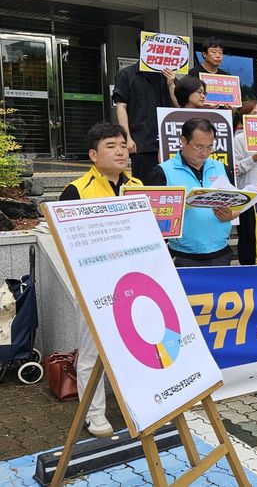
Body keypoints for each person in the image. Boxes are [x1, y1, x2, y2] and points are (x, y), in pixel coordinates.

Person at [59, 123, 143, 438]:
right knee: (93, 353)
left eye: (123, 144)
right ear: (94, 154)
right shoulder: (76, 190)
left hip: (133, 281)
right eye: (111, 145)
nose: (121, 150)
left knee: (134, 347)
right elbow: (67, 243)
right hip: (95, 283)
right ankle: (94, 415)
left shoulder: (138, 186)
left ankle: (135, 404)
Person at [145, 119, 238, 266]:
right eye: (199, 146)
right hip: (184, 256)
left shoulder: (221, 168)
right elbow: (151, 220)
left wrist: (230, 214)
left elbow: (236, 204)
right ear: (183, 141)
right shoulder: (163, 172)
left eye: (209, 147)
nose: (204, 153)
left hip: (221, 253)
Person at [112, 46, 173, 183]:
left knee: (168, 184)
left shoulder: (167, 76)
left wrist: (171, 84)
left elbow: (179, 104)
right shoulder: (126, 74)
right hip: (141, 142)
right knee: (143, 184)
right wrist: (127, 138)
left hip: (167, 142)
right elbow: (121, 106)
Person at [233, 100, 257, 265]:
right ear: (244, 117)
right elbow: (234, 169)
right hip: (249, 194)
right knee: (248, 236)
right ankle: (247, 268)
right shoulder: (239, 139)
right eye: (253, 113)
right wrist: (252, 159)